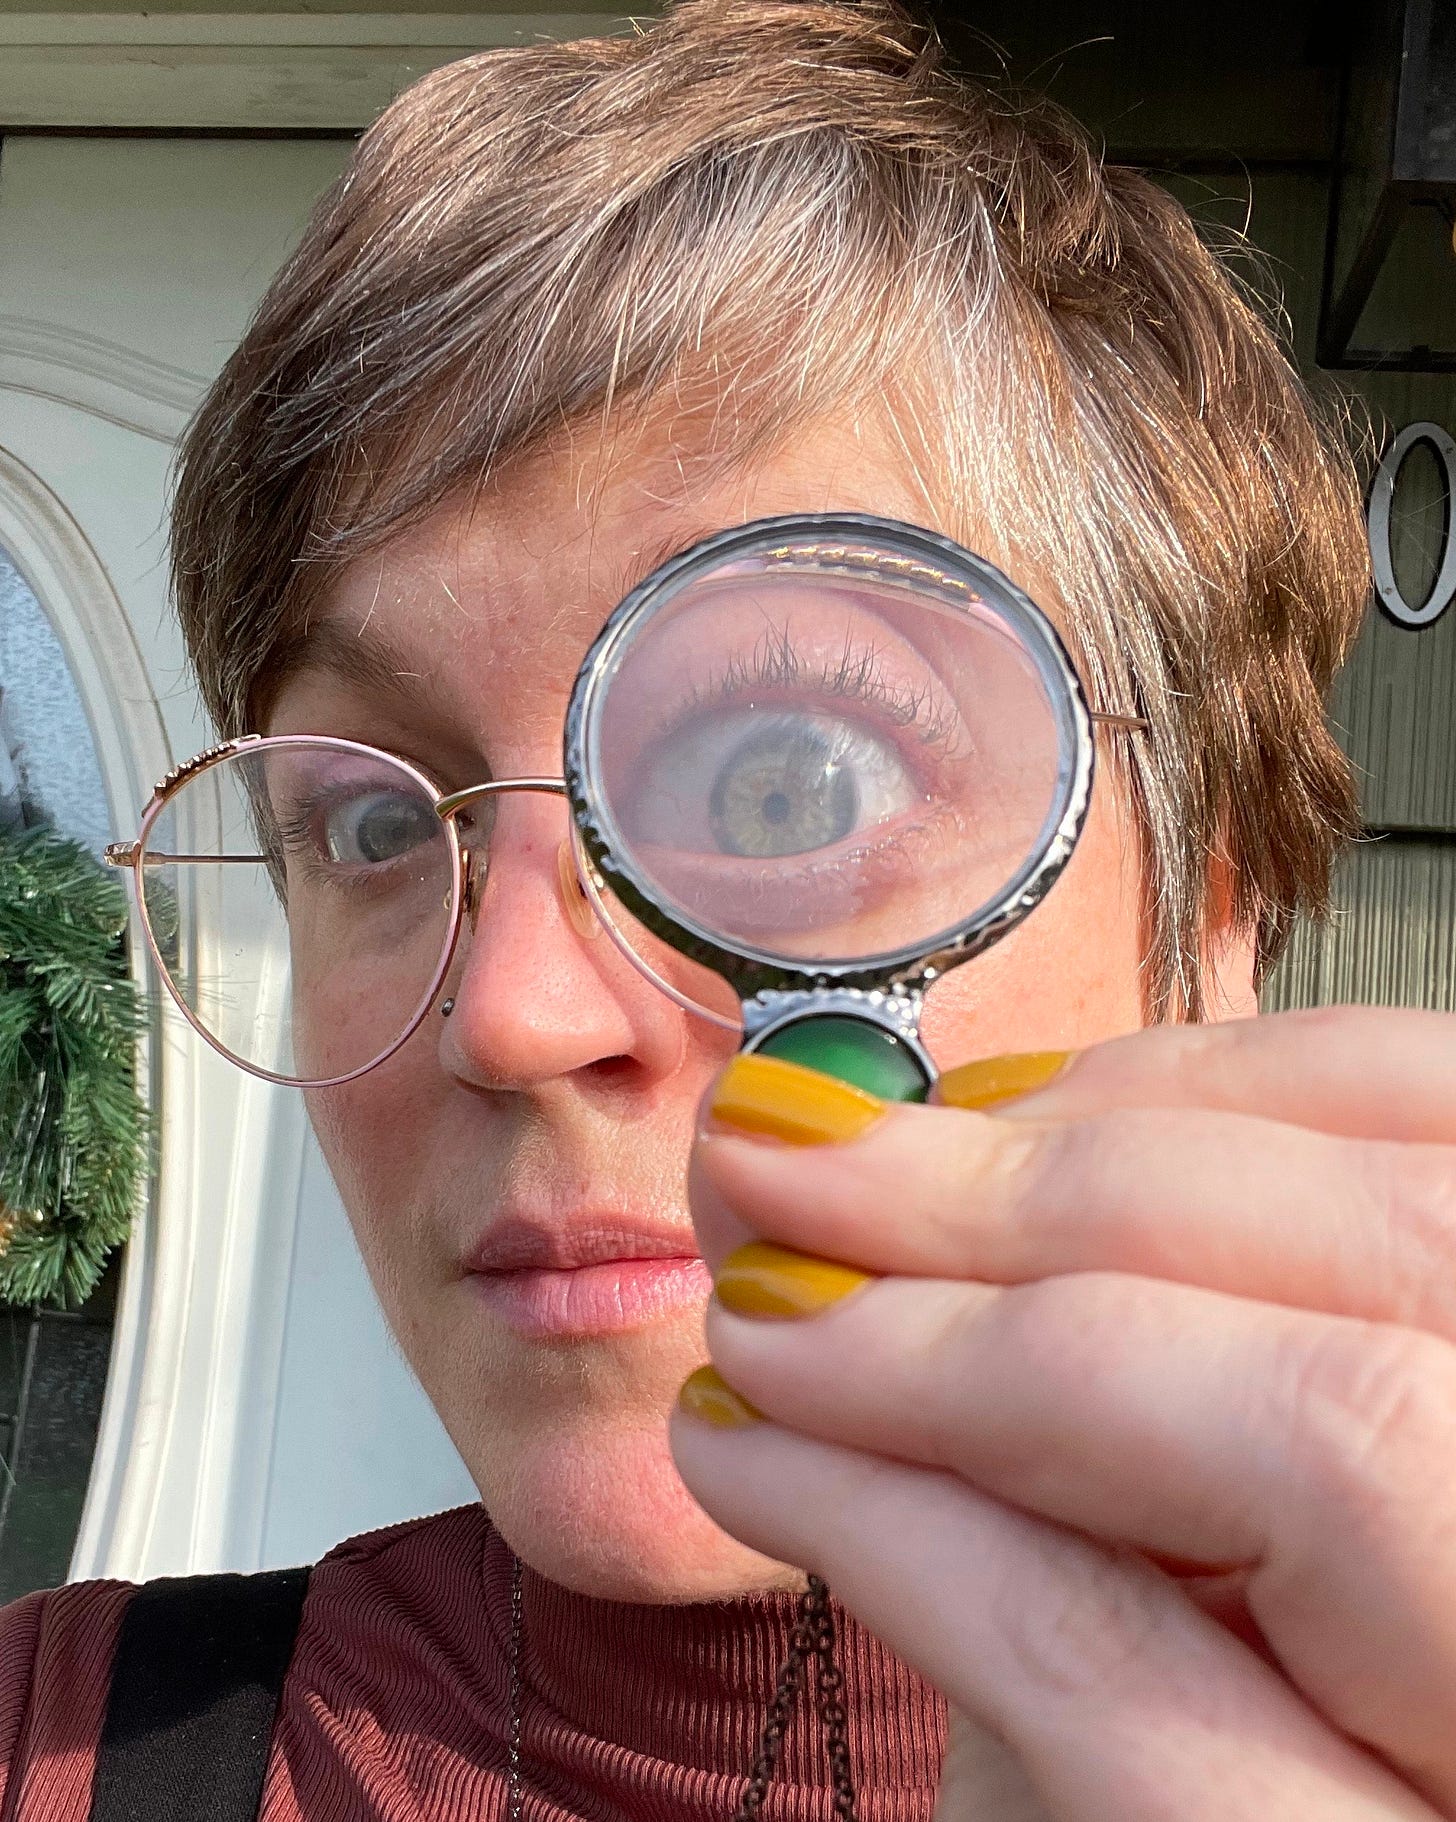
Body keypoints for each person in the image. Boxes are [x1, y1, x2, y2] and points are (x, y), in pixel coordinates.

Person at [4, 1, 1454, 1817]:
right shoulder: (58, 1747)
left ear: (1216, 902)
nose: (513, 1014)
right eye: (375, 821)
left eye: (790, 782)